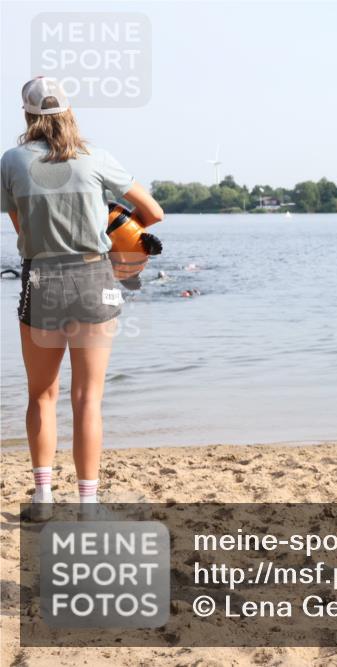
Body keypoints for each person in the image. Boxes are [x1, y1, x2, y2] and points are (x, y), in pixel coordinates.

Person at [1, 77, 164, 521]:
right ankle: (89, 505)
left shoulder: (12, 161)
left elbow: (21, 228)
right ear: (69, 112)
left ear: (28, 116)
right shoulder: (97, 157)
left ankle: (42, 499)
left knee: (41, 396)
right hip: (96, 275)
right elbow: (154, 214)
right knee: (87, 398)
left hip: (42, 279)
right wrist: (111, 218)